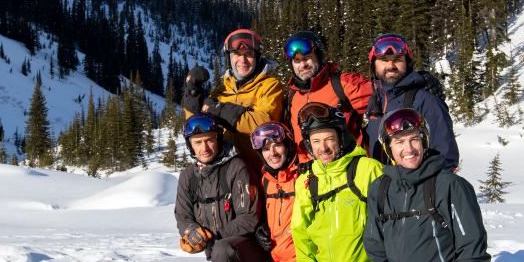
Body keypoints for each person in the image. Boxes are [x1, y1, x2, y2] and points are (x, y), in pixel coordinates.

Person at [363, 108, 490, 262]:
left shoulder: (451, 186)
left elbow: (471, 256)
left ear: (425, 141)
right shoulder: (380, 189)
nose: (408, 149)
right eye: (399, 142)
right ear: (388, 148)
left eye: (414, 139)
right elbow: (378, 256)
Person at [290, 102, 383, 262]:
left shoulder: (368, 170)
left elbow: (390, 228)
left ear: (341, 138)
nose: (323, 147)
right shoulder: (306, 181)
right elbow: (301, 234)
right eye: (316, 141)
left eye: (329, 139)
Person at [173, 114, 268, 262]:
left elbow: (249, 218)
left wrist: (213, 236)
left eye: (209, 140)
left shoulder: (236, 167)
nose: (204, 148)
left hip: (252, 245)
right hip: (219, 249)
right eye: (198, 142)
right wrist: (192, 232)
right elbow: (182, 214)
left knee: (223, 251)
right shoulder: (188, 175)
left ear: (218, 139)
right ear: (190, 145)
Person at [183, 29, 284, 169]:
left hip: (258, 170)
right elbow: (197, 128)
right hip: (226, 172)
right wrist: (192, 98)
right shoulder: (221, 91)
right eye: (236, 54)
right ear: (229, 57)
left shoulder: (269, 86)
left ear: (257, 57)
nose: (242, 60)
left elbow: (265, 124)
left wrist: (220, 109)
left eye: (249, 54)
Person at [364, 33, 459, 168]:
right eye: (384, 60)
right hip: (380, 180)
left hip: (412, 181)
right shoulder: (375, 100)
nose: (391, 65)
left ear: (407, 63)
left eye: (398, 59)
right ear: (374, 65)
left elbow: (445, 159)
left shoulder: (425, 101)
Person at [282, 30, 372, 163]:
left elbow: (383, 103)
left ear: (318, 56)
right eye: (297, 61)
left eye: (307, 57)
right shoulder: (293, 95)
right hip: (311, 172)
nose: (303, 65)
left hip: (347, 167)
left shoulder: (343, 84)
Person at [249, 121, 300, 262]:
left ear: (287, 145)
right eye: (266, 148)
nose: (273, 153)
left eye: (277, 145)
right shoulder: (266, 181)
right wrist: (259, 228)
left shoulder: (303, 176)